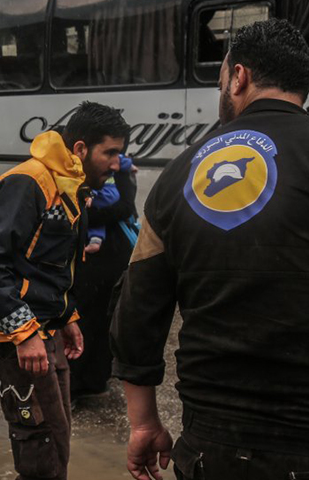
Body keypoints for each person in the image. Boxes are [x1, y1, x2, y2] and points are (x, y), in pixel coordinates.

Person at [111, 19, 309, 480]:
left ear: (238, 77)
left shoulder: (179, 175)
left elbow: (136, 309)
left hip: (212, 446)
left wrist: (144, 423)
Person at [0, 101, 130, 480]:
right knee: (38, 442)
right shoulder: (28, 183)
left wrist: (67, 317)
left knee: (58, 436)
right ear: (79, 149)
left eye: (120, 155)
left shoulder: (72, 187)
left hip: (47, 330)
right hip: (14, 337)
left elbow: (53, 267)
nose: (116, 165)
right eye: (110, 153)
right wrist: (24, 334)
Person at [69, 154, 138, 402]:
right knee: (94, 323)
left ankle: (90, 382)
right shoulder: (109, 179)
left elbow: (125, 209)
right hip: (97, 266)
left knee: (96, 322)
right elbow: (125, 209)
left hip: (102, 267)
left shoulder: (110, 178)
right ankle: (87, 382)